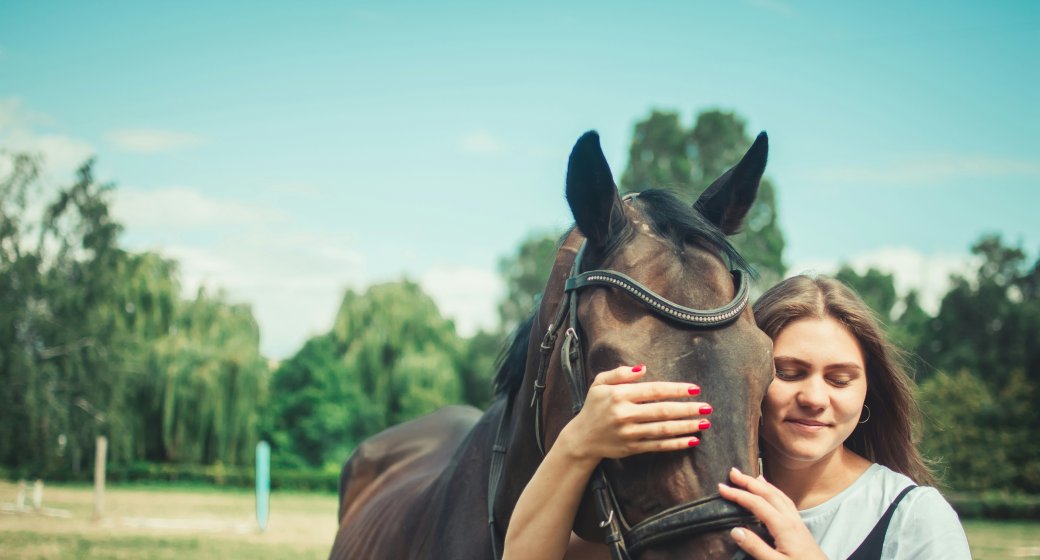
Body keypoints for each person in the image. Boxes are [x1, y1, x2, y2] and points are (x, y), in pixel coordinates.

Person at [502, 275, 971, 560]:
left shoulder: (913, 518)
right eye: (789, 372)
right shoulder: (698, 493)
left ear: (868, 391)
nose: (813, 396)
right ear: (747, 377)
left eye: (840, 379)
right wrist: (577, 442)